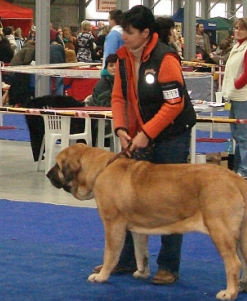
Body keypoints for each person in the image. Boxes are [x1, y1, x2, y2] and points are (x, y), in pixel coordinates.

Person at [103, 5, 197, 285]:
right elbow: (118, 97)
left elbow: (174, 103)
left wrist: (147, 132)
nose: (125, 38)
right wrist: (121, 127)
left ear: (146, 33)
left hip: (172, 135)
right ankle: (128, 260)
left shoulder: (165, 58)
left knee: (171, 200)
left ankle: (168, 266)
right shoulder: (122, 58)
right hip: (140, 134)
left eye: (130, 33)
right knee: (131, 199)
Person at [221, 18, 247, 180]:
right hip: (234, 95)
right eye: (235, 28)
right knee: (237, 134)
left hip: (243, 95)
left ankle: (246, 169)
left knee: (244, 134)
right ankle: (238, 167)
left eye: (241, 29)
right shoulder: (237, 47)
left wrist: (237, 85)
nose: (236, 31)